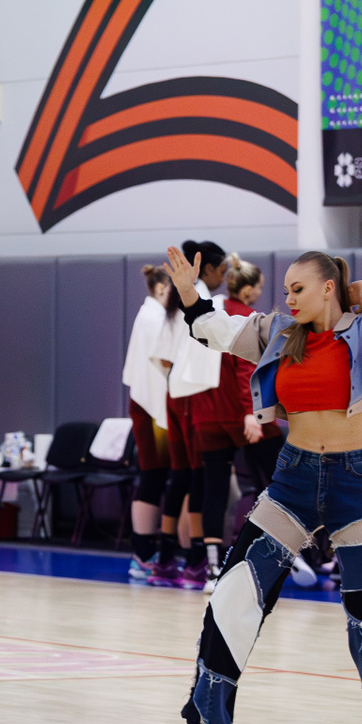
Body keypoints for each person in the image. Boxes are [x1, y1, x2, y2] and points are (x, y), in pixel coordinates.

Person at [166, 247, 362, 724]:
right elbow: (210, 328)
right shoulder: (276, 332)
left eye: (299, 288)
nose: (289, 298)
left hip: (356, 480)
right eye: (286, 290)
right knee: (233, 595)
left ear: (327, 288)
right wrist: (188, 294)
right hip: (292, 478)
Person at [193, 256, 283, 568]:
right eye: (259, 288)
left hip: (208, 415)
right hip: (241, 414)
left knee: (214, 489)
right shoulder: (247, 318)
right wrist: (250, 412)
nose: (260, 293)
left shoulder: (210, 313)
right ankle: (290, 551)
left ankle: (212, 564)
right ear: (247, 290)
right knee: (284, 479)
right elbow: (247, 371)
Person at [153, 240, 226, 588]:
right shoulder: (200, 298)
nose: (224, 277)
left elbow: (162, 358)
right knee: (198, 475)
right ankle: (196, 560)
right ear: (207, 269)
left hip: (175, 394)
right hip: (192, 395)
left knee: (181, 475)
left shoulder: (176, 298)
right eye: (222, 270)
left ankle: (165, 558)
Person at [124, 264, 173, 581]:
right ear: (160, 289)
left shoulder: (150, 314)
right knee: (152, 475)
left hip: (151, 406)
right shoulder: (154, 318)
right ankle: (142, 554)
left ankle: (145, 551)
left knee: (154, 476)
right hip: (151, 408)